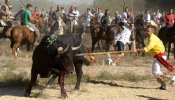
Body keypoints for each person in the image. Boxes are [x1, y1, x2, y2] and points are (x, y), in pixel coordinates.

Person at [135, 25, 175, 90]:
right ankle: (163, 85)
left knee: (156, 72)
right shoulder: (151, 37)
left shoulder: (152, 39)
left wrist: (137, 50)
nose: (146, 32)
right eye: (146, 30)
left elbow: (147, 49)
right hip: (158, 56)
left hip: (160, 56)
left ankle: (172, 78)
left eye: (148, 31)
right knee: (155, 73)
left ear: (152, 32)